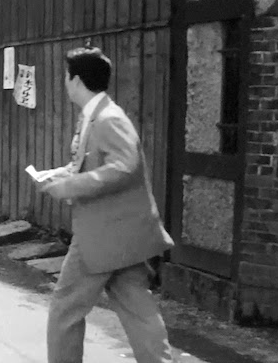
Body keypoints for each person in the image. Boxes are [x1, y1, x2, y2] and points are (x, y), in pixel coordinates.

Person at [38, 47, 175, 363]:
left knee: (64, 308)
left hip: (101, 235)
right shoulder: (98, 115)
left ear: (76, 80)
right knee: (137, 308)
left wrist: (70, 186)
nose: (64, 82)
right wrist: (59, 174)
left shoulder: (107, 118)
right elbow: (96, 164)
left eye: (66, 76)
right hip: (122, 233)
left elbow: (124, 166)